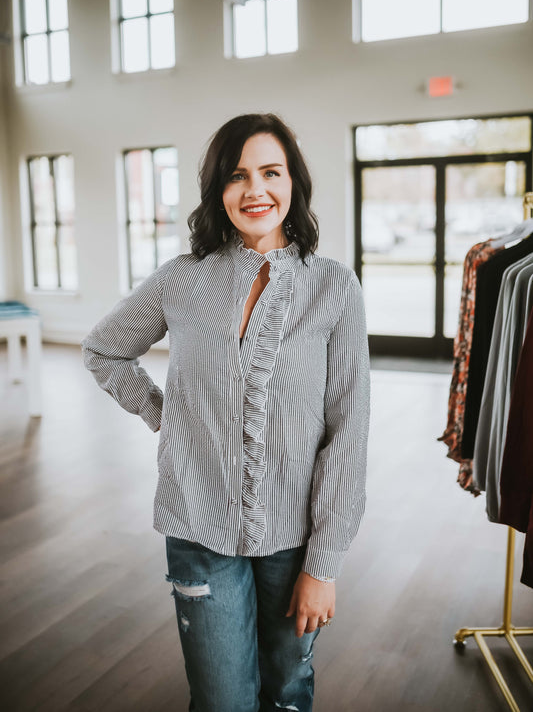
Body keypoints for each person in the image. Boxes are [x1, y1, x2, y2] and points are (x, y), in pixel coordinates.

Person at [82, 113, 370, 712]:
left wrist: (324, 564)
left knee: (287, 692)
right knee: (221, 702)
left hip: (295, 541)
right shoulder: (181, 281)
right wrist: (166, 416)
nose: (255, 190)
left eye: (271, 172)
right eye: (237, 176)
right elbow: (105, 349)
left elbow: (348, 431)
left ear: (294, 184)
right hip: (197, 530)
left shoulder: (333, 288)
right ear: (218, 189)